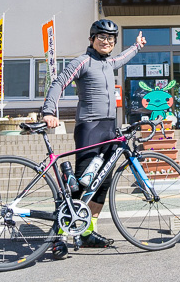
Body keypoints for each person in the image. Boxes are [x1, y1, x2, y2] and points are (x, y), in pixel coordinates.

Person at [42, 19, 146, 249]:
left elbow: (123, 58)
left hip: (109, 128)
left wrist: (137, 46)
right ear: (91, 39)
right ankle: (60, 237)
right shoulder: (83, 62)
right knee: (81, 184)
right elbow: (59, 82)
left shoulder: (109, 62)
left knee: (103, 182)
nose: (106, 41)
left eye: (111, 38)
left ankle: (87, 232)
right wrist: (49, 111)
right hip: (89, 128)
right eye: (102, 37)